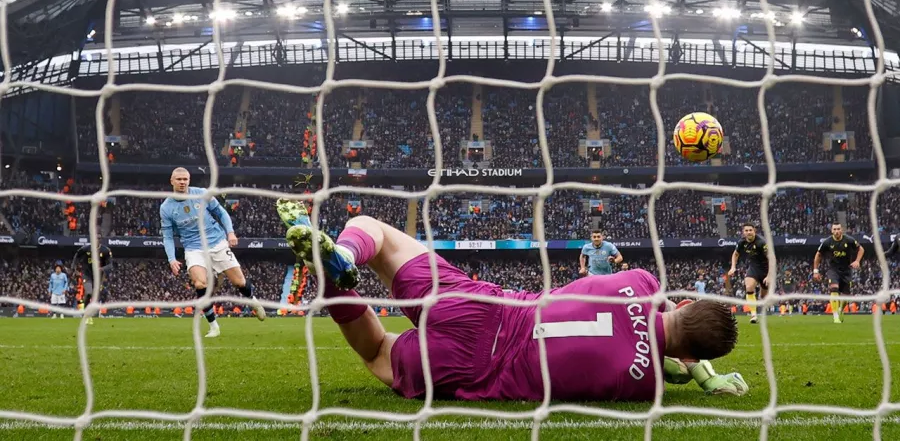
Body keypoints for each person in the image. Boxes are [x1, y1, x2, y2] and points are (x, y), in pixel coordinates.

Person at [277, 199, 747, 401]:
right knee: (379, 351)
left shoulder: (642, 280)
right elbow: (663, 363)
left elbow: (657, 319)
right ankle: (333, 284)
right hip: (474, 370)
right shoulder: (643, 385)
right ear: (688, 354)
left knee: (377, 233)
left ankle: (342, 254)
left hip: (485, 306)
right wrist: (704, 377)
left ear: (681, 305)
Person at [160, 167, 265, 338]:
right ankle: (214, 326)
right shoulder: (166, 207)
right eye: (178, 179)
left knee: (239, 282)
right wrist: (171, 259)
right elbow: (168, 236)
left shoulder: (202, 194)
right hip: (194, 248)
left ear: (189, 180)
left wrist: (230, 232)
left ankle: (253, 301)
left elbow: (221, 213)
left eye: (185, 179)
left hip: (217, 242)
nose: (182, 182)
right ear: (172, 181)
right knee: (200, 284)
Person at [813, 223, 863, 324]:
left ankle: (840, 309)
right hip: (833, 270)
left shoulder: (849, 240)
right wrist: (815, 271)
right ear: (832, 231)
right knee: (834, 289)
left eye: (838, 229)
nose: (836, 231)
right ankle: (835, 316)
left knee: (845, 296)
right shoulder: (827, 242)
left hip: (847, 270)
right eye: (834, 229)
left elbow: (861, 249)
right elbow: (818, 255)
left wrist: (857, 261)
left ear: (842, 230)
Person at [728, 223, 770, 324]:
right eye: (746, 230)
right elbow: (736, 254)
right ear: (743, 232)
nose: (748, 232)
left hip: (766, 268)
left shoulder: (761, 242)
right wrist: (733, 267)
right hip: (754, 267)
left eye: (750, 230)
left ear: (754, 231)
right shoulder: (742, 242)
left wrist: (769, 275)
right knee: (749, 287)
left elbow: (771, 259)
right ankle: (753, 315)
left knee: (764, 296)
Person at [72, 244, 112, 325]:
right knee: (89, 293)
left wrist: (102, 269)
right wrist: (74, 267)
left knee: (95, 297)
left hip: (98, 277)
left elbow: (110, 265)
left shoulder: (105, 250)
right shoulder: (86, 248)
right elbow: (77, 254)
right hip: (86, 274)